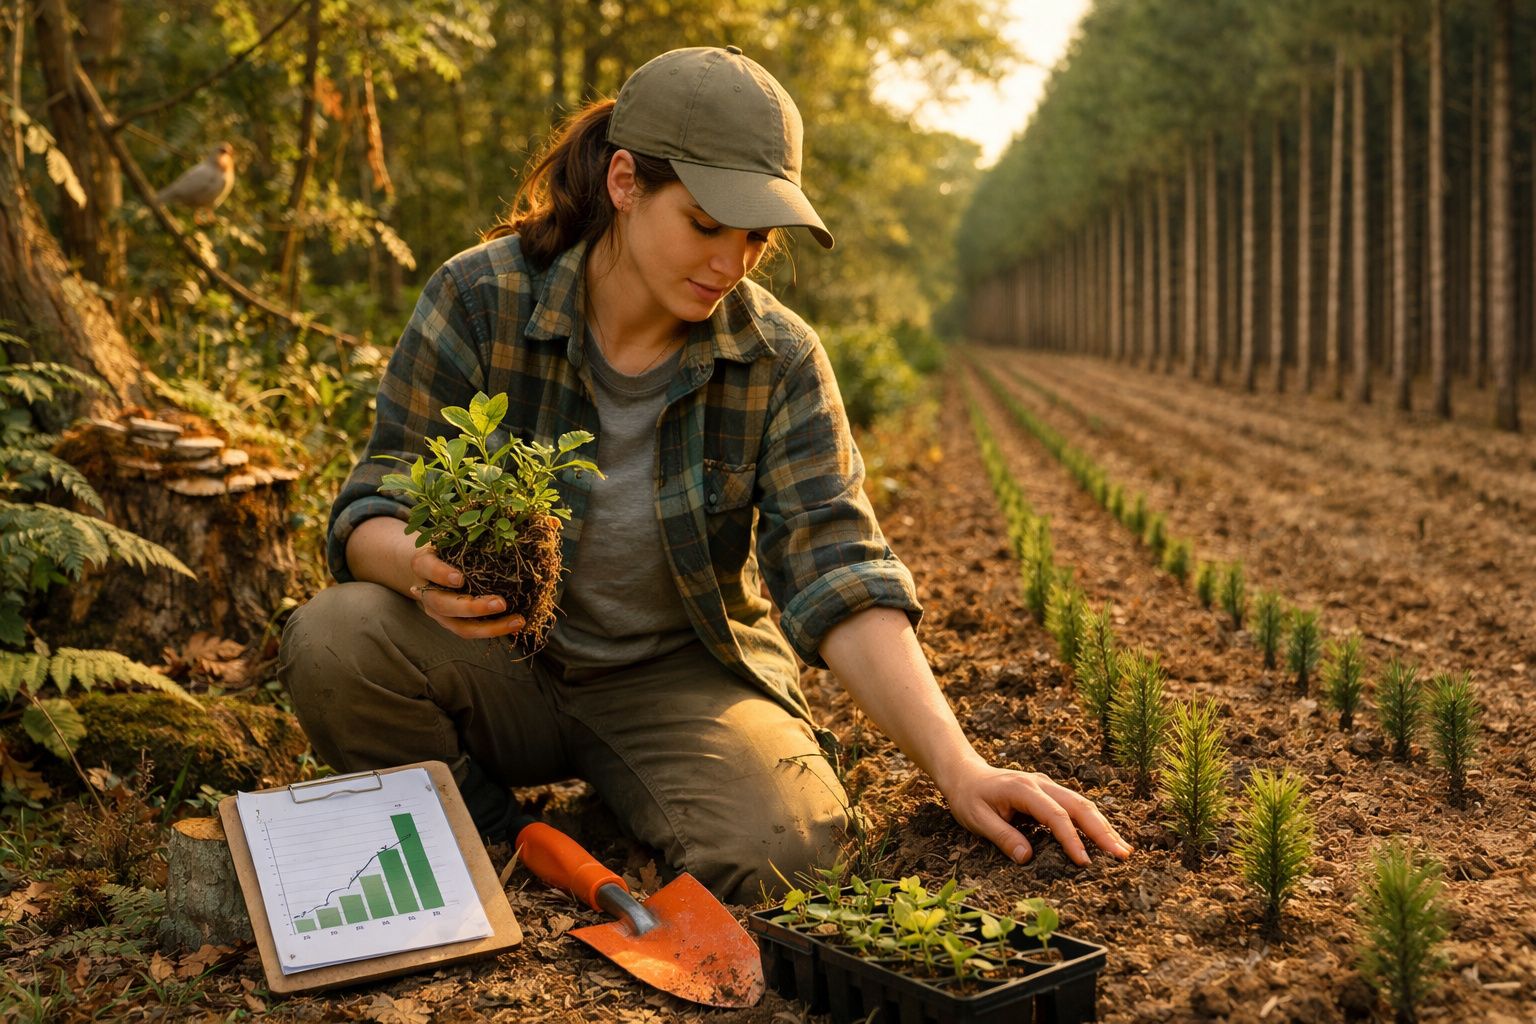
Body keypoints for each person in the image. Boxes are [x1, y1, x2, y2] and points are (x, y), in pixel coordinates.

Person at [279, 45, 1131, 905]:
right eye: (705, 223)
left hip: (679, 676)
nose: (732, 261)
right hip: (498, 661)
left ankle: (640, 798)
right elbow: (375, 501)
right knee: (333, 639)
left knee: (788, 849)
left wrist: (961, 766)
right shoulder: (480, 299)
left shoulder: (778, 358)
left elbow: (838, 570)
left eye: (756, 236)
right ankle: (490, 829)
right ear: (624, 183)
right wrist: (419, 571)